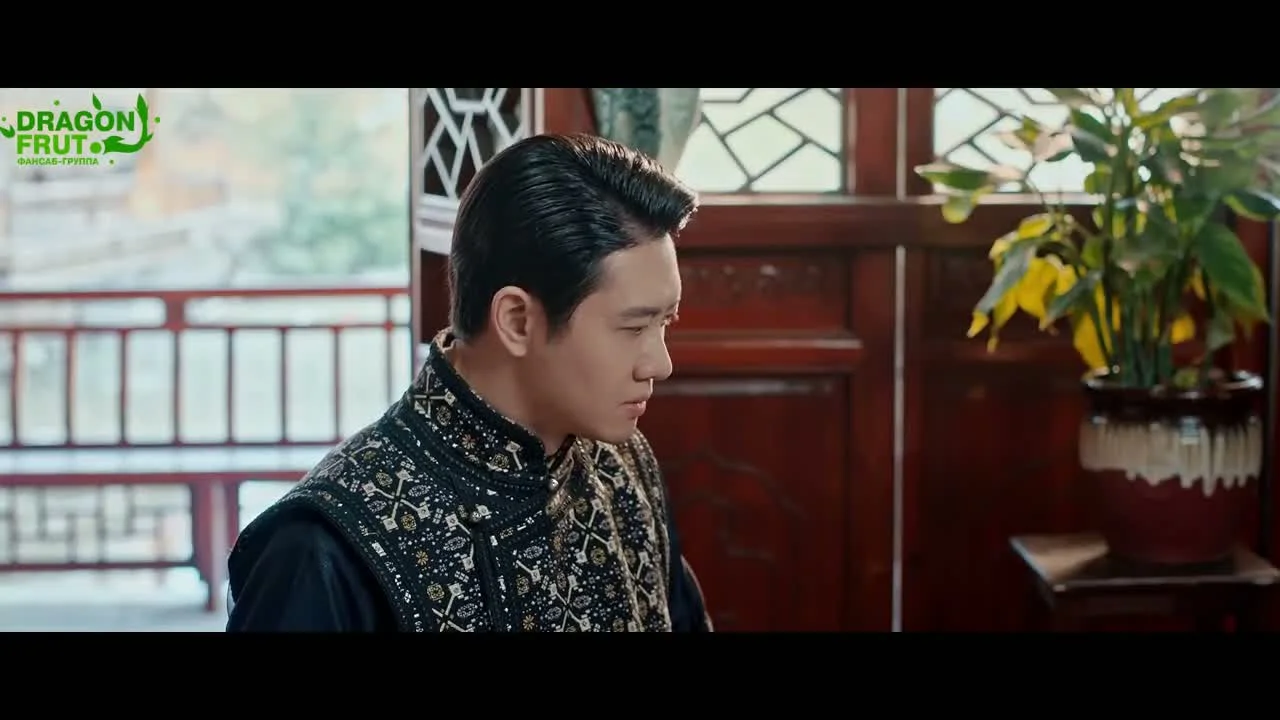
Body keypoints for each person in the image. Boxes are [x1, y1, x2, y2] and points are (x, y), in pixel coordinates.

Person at [225, 132, 714, 632]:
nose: (660, 364)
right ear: (517, 320)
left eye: (665, 322)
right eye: (633, 328)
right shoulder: (321, 548)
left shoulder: (621, 465)